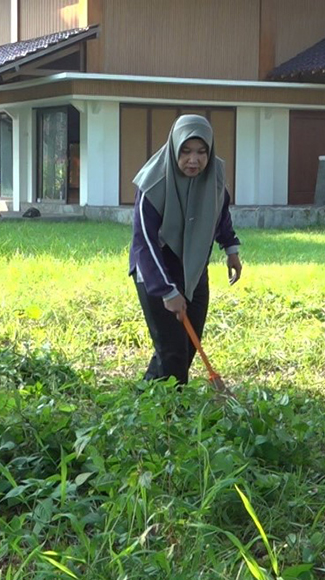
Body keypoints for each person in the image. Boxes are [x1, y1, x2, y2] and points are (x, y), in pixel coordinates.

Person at [129, 115, 242, 385]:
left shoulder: (214, 175)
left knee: (187, 347)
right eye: (186, 151)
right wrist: (167, 291)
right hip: (157, 270)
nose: (194, 160)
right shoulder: (153, 184)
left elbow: (220, 212)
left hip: (194, 269)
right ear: (174, 148)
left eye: (202, 152)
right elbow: (144, 243)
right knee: (174, 354)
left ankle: (146, 395)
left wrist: (231, 248)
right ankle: (172, 407)